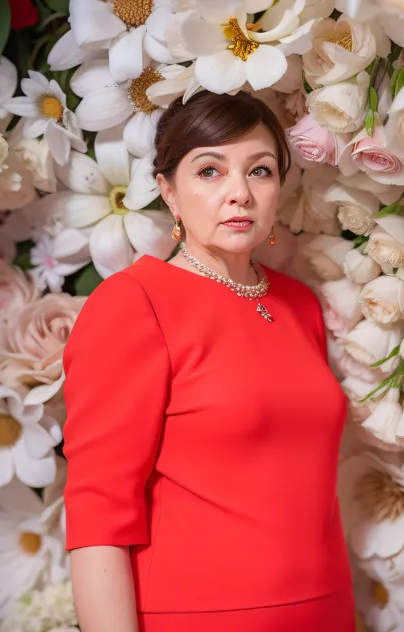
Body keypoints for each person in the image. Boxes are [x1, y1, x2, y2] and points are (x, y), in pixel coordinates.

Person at [62, 90, 355, 632]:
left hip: (325, 609)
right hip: (199, 617)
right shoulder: (134, 303)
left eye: (260, 171)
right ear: (169, 191)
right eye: (210, 170)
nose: (239, 193)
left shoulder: (298, 304)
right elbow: (98, 516)